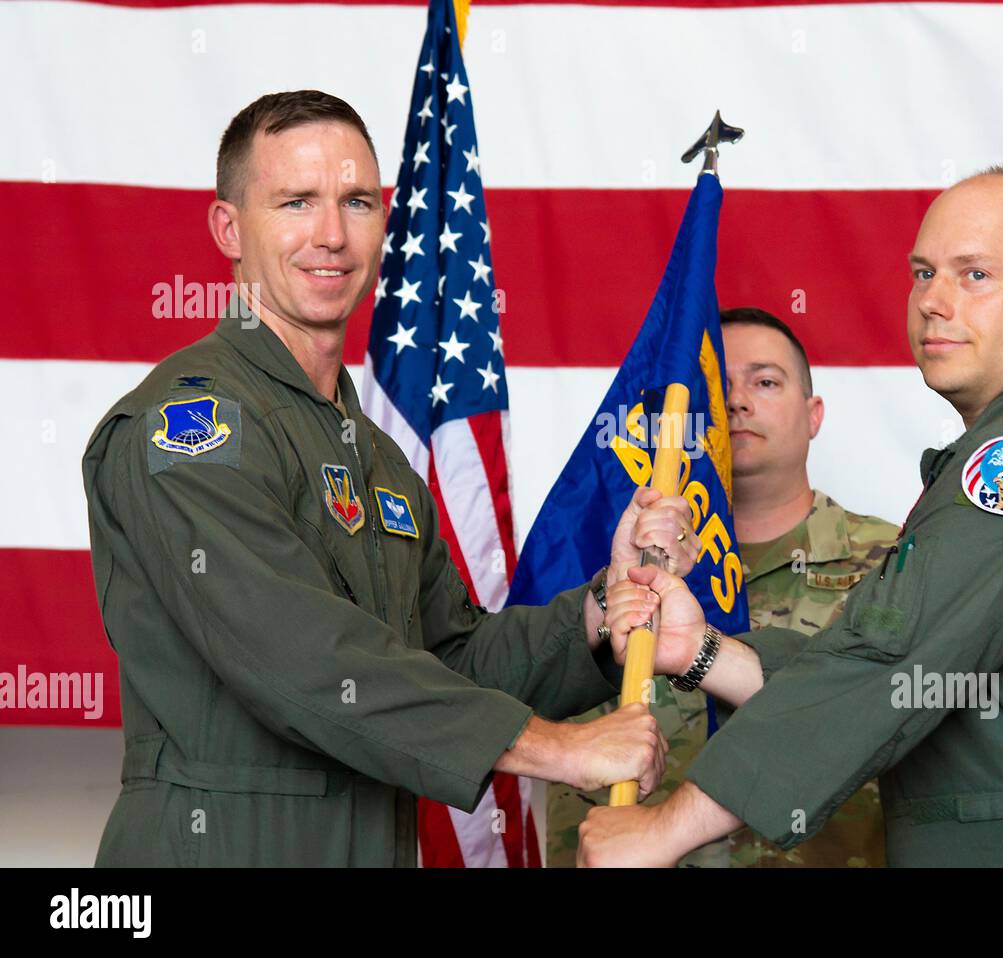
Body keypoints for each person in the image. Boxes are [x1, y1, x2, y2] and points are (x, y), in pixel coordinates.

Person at [81, 90, 697, 867]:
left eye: (358, 201)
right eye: (296, 202)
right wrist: (562, 752)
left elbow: (452, 659)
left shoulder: (377, 458)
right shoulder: (190, 428)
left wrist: (602, 606)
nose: (332, 235)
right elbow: (304, 660)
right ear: (228, 229)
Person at [578, 165, 1003, 868]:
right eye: (924, 274)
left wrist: (664, 830)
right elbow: (922, 677)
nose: (933, 302)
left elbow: (887, 666)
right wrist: (707, 652)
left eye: (974, 275)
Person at [546, 309, 898, 867]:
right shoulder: (626, 581)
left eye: (765, 381)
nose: (736, 402)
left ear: (814, 415)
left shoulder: (895, 565)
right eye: (719, 387)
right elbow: (581, 793)